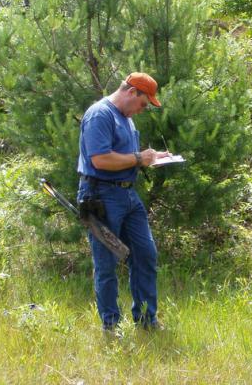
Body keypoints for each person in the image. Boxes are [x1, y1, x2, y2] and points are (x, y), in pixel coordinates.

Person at [77, 72, 170, 331]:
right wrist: (140, 158)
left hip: (128, 195)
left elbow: (129, 157)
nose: (142, 110)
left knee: (145, 254)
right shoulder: (100, 115)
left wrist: (154, 158)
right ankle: (111, 326)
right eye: (143, 103)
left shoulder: (126, 119)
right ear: (132, 92)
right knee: (106, 263)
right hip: (100, 196)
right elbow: (100, 160)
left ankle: (146, 320)